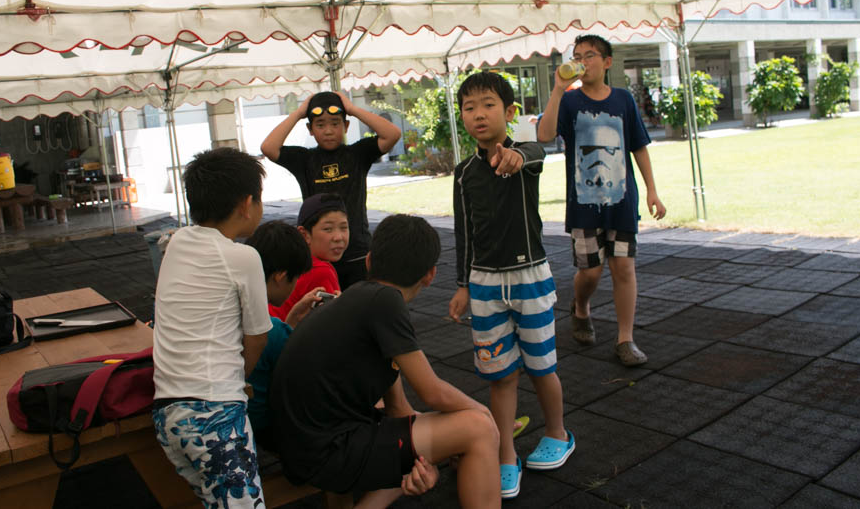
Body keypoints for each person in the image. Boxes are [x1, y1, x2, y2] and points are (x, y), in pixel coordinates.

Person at [270, 214, 502, 509]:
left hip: (305, 445)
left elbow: (398, 410)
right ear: (430, 274)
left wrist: (435, 450)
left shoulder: (361, 299)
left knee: (462, 427)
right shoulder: (385, 302)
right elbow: (432, 392)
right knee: (478, 428)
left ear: (368, 261)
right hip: (325, 451)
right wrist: (484, 415)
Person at [449, 71, 573, 499]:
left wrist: (518, 157)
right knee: (499, 374)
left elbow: (538, 150)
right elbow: (464, 233)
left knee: (542, 366)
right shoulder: (464, 174)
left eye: (488, 104)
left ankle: (558, 432)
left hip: (530, 277)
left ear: (509, 111)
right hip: (483, 283)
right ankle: (505, 454)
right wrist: (463, 284)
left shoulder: (526, 157)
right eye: (469, 107)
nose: (479, 114)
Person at [151, 147, 272, 508]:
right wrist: (242, 377)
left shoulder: (176, 243)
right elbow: (257, 336)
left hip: (168, 414)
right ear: (246, 204)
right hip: (213, 416)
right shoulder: (243, 257)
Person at [537, 34, 667, 367]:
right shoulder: (568, 101)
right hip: (583, 205)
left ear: (607, 62)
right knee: (590, 272)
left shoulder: (623, 100)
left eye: (589, 55)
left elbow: (638, 146)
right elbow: (544, 135)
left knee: (624, 267)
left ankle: (625, 338)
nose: (582, 61)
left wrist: (652, 190)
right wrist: (556, 90)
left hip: (622, 202)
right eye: (577, 55)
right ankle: (580, 308)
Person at [261, 91, 401, 290]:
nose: (328, 130)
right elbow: (268, 147)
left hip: (356, 251)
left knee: (358, 309)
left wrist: (352, 109)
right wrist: (298, 113)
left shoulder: (357, 154)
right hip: (319, 255)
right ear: (310, 129)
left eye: (335, 123)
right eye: (320, 124)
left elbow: (392, 134)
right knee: (324, 311)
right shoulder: (304, 160)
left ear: (346, 126)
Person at [244, 220, 325, 446]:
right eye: (295, 277)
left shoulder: (238, 311)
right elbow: (308, 373)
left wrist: (292, 320)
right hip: (265, 429)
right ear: (280, 276)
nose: (296, 284)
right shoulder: (272, 331)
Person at [267, 193, 347, 321]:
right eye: (328, 229)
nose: (339, 237)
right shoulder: (321, 271)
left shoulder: (289, 257)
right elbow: (333, 325)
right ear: (305, 234)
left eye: (344, 228)